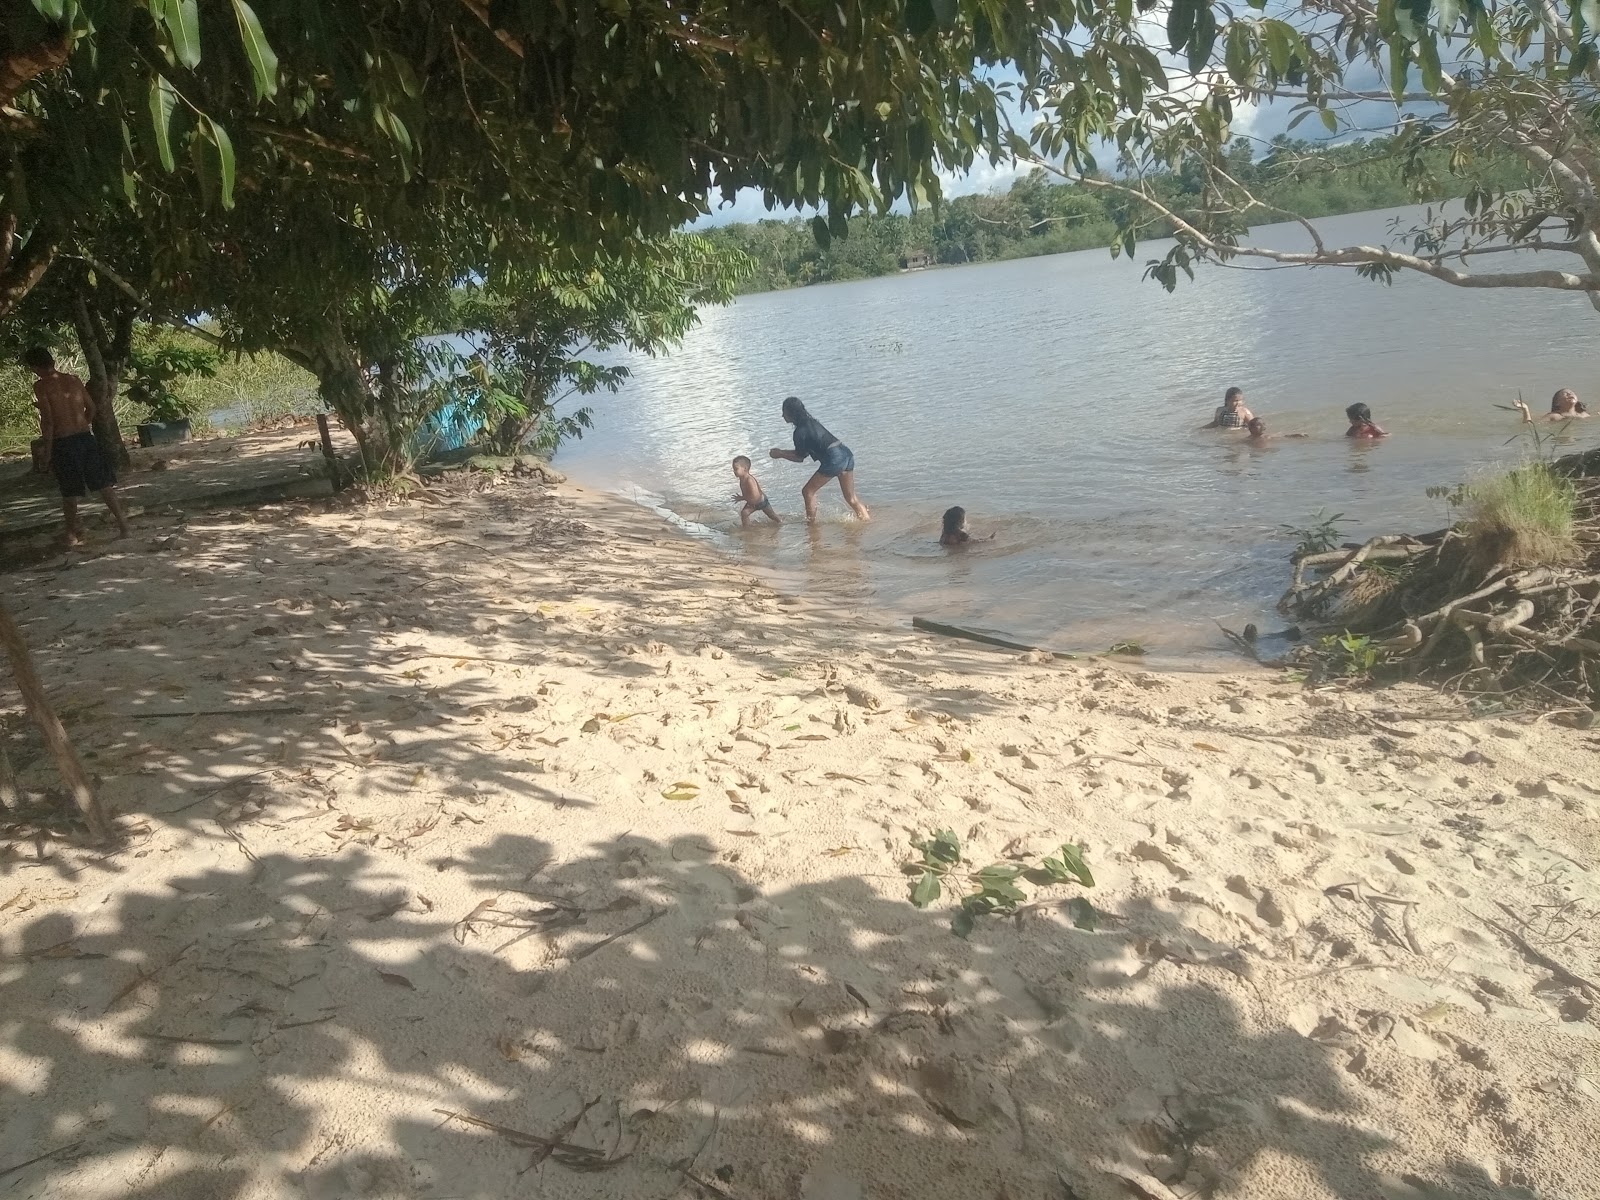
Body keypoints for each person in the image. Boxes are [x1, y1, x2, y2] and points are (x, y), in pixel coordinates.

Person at [25, 347, 130, 544]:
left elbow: (48, 420)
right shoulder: (73, 380)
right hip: (85, 437)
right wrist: (83, 424)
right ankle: (124, 526)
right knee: (104, 485)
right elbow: (91, 407)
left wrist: (47, 453)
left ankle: (71, 534)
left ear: (35, 367)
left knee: (69, 490)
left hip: (63, 442)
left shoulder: (41, 386)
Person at [769, 395, 870, 522]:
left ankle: (812, 525)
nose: (782, 416)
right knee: (851, 498)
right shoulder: (812, 422)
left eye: (783, 412)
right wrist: (782, 453)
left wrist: (780, 454)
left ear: (791, 413)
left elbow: (800, 457)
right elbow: (803, 454)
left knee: (807, 491)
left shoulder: (799, 432)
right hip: (846, 453)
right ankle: (867, 521)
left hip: (834, 459)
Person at [731, 455, 781, 526]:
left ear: (745, 469)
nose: (734, 471)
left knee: (772, 515)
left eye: (736, 469)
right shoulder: (742, 479)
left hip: (761, 502)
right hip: (752, 503)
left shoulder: (749, 480)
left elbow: (755, 496)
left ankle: (781, 522)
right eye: (733, 469)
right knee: (744, 513)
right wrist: (744, 498)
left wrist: (742, 498)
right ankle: (747, 528)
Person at [1514, 389, 1590, 422]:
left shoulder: (1584, 414)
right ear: (1557, 403)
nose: (1570, 394)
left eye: (1571, 392)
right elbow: (1529, 427)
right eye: (1565, 393)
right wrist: (1525, 409)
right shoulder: (1555, 416)